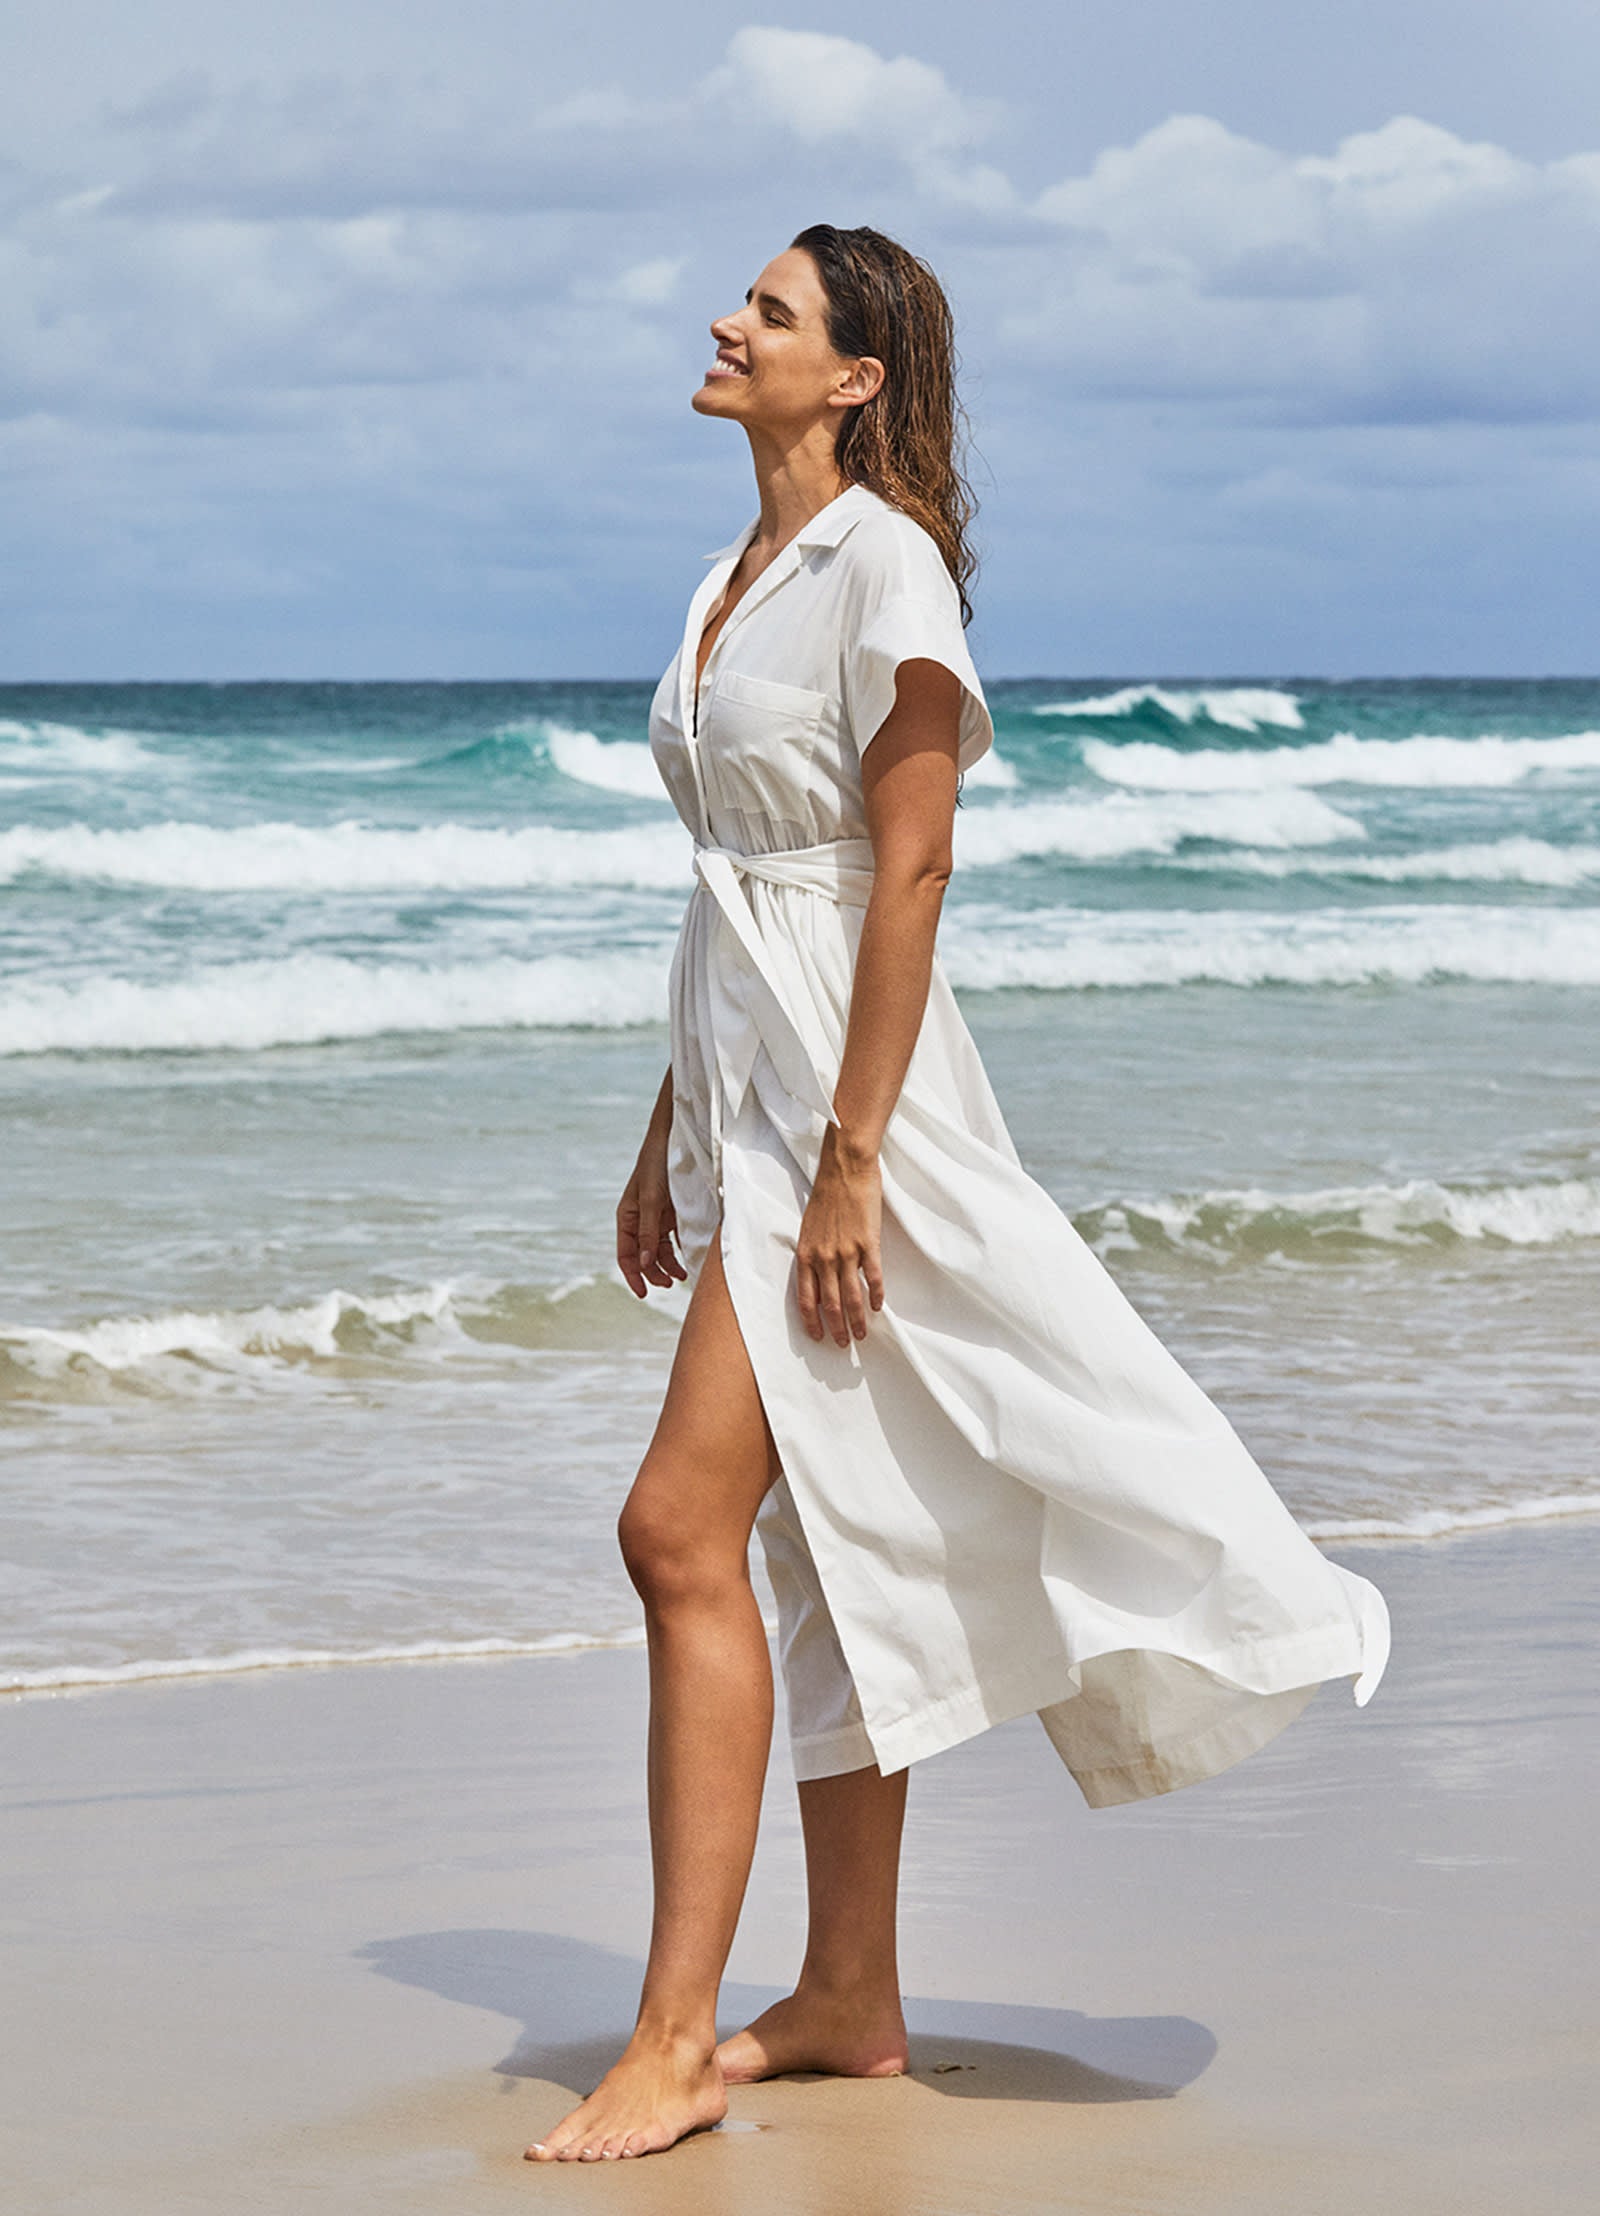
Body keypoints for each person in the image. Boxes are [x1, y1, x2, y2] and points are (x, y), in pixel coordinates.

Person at [525, 223, 1390, 2165]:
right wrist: (663, 1122)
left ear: (851, 377)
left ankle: (672, 2036)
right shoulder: (738, 567)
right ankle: (846, 1992)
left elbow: (900, 876)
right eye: (739, 299)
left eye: (768, 309)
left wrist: (842, 1164)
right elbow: (743, 882)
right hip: (749, 1081)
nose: (724, 319)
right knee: (819, 1541)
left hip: (852, 1104)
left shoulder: (882, 566)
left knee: (675, 1525)